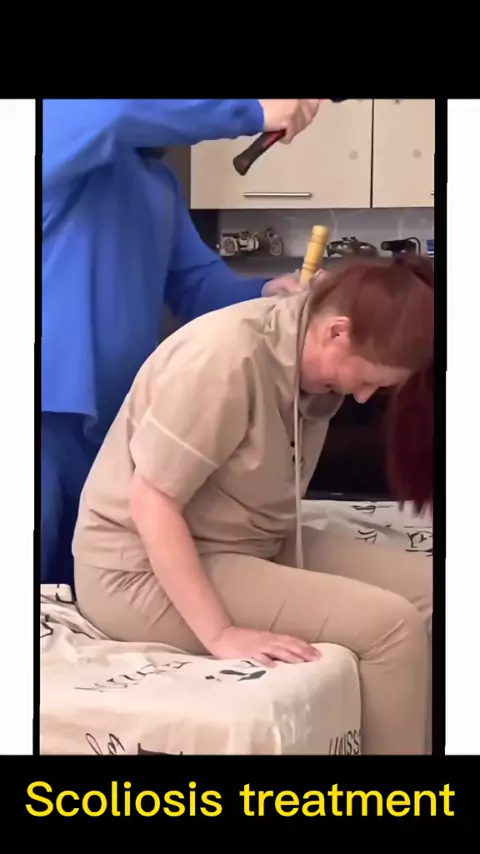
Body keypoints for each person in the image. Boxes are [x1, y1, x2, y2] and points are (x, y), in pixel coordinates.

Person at [72, 254, 434, 755]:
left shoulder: (307, 342)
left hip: (247, 541)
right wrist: (222, 633)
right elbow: (152, 502)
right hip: (136, 571)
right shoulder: (224, 360)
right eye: (367, 379)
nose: (361, 396)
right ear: (337, 331)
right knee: (390, 628)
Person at [42, 98, 323, 585]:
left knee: (85, 591)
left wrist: (264, 291)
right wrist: (254, 111)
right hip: (38, 414)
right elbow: (114, 113)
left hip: (114, 426)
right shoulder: (52, 129)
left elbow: (197, 285)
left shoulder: (158, 183)